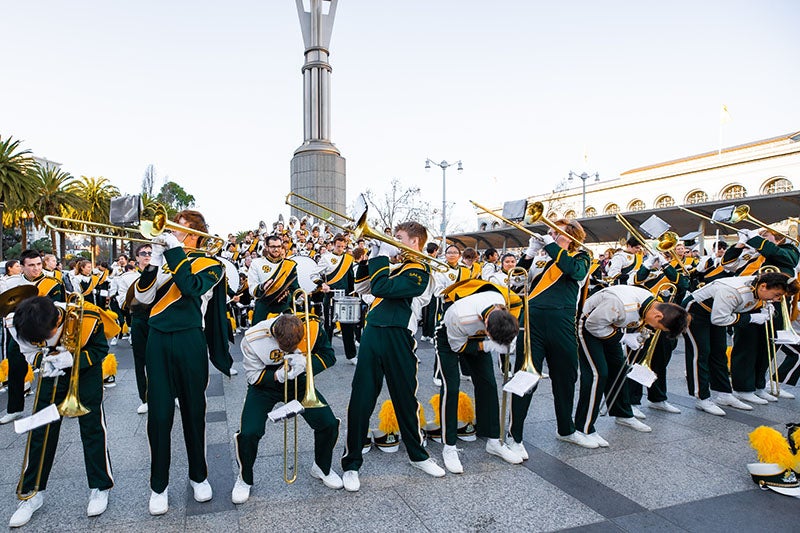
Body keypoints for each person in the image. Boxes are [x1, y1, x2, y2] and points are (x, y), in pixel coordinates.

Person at [135, 210, 232, 515]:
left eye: (176, 230)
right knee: (159, 415)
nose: (169, 235)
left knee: (194, 411)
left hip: (191, 339)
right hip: (158, 340)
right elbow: (143, 298)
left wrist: (173, 252)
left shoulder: (213, 264)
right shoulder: (165, 262)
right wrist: (153, 263)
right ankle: (158, 485)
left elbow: (191, 288)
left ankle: (198, 476)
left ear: (193, 236)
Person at [341, 222, 445, 491]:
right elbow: (363, 288)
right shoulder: (395, 265)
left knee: (405, 399)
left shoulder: (422, 271)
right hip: (374, 332)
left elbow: (383, 288)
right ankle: (351, 463)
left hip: (400, 335)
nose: (392, 241)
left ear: (414, 242)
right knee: (361, 399)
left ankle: (417, 455)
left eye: (397, 238)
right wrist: (370, 257)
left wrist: (380, 258)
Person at [7, 296, 117, 527]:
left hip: (85, 372)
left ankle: (100, 486)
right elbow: (29, 353)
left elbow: (99, 349)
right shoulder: (17, 324)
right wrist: (45, 361)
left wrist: (73, 358)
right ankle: (32, 492)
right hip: (51, 370)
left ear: (58, 320)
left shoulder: (87, 316)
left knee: (92, 427)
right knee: (40, 431)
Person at [232, 313, 342, 503]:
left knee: (328, 423)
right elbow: (252, 376)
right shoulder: (252, 338)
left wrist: (306, 363)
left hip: (299, 381)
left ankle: (321, 467)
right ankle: (244, 478)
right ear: (274, 336)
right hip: (264, 386)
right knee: (249, 432)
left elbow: (329, 356)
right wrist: (277, 376)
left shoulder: (312, 326)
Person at [509, 220, 593, 452]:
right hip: (533, 322)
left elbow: (575, 272)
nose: (550, 235)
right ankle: (514, 435)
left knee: (565, 378)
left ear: (573, 236)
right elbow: (517, 285)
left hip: (562, 323)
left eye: (556, 232)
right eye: (550, 232)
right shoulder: (542, 257)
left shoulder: (581, 256)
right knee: (526, 377)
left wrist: (553, 247)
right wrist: (529, 254)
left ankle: (566, 429)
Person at [574, 285, 690, 446]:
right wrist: (623, 338)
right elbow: (593, 325)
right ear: (657, 315)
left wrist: (631, 336)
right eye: (658, 327)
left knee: (620, 369)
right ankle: (583, 428)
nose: (654, 328)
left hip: (611, 326)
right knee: (598, 374)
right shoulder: (620, 304)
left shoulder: (650, 304)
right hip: (588, 325)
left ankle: (623, 414)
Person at [435, 280, 523, 472]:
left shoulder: (505, 303)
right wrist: (488, 345)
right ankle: (448, 446)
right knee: (452, 387)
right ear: (486, 327)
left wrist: (509, 342)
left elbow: (510, 327)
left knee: (489, 385)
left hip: (480, 337)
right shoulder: (460, 315)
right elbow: (458, 346)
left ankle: (493, 439)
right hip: (450, 338)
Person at [683, 271, 798, 415]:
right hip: (696, 313)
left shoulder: (759, 287)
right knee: (700, 353)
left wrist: (763, 308)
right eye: (776, 295)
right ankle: (702, 398)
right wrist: (751, 318)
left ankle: (724, 394)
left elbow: (739, 308)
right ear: (763, 286)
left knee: (719, 353)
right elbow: (719, 319)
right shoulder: (733, 292)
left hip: (718, 312)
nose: (776, 299)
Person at [0, 250, 65, 425]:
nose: (36, 268)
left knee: (54, 367)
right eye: (31, 265)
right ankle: (14, 409)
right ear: (22, 267)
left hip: (47, 333)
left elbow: (60, 307)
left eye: (38, 264)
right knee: (15, 369)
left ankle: (61, 403)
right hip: (20, 333)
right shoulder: (12, 284)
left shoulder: (53, 283)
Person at [318, 234, 357, 363]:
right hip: (330, 296)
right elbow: (314, 274)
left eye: (343, 246)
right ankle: (326, 355)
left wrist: (353, 293)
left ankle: (351, 355)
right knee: (329, 327)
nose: (340, 249)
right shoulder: (326, 258)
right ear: (333, 244)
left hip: (345, 297)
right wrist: (322, 284)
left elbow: (351, 278)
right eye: (338, 246)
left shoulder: (348, 259)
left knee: (347, 327)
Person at [248, 234, 300, 323]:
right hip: (263, 308)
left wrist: (287, 296)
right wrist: (263, 287)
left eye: (279, 246)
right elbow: (252, 289)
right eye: (273, 247)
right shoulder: (256, 263)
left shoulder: (290, 265)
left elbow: (295, 288)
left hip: (283, 309)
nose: (276, 249)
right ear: (266, 247)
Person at [127, 245, 151, 414]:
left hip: (158, 320)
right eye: (143, 253)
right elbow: (124, 302)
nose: (147, 256)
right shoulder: (129, 277)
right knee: (140, 361)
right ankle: (145, 397)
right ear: (137, 258)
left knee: (167, 359)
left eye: (150, 253)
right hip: (139, 320)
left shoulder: (162, 273)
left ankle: (173, 395)